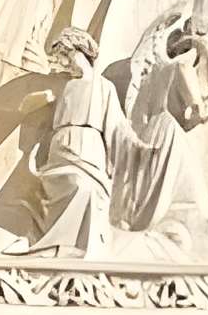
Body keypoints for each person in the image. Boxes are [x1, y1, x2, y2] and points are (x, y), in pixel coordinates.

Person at [19, 26, 129, 256]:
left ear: (79, 51)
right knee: (56, 188)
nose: (66, 64)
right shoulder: (67, 87)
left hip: (88, 146)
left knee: (84, 187)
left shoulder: (103, 87)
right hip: (61, 147)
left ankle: (79, 248)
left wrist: (115, 161)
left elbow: (114, 127)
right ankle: (52, 247)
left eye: (67, 57)